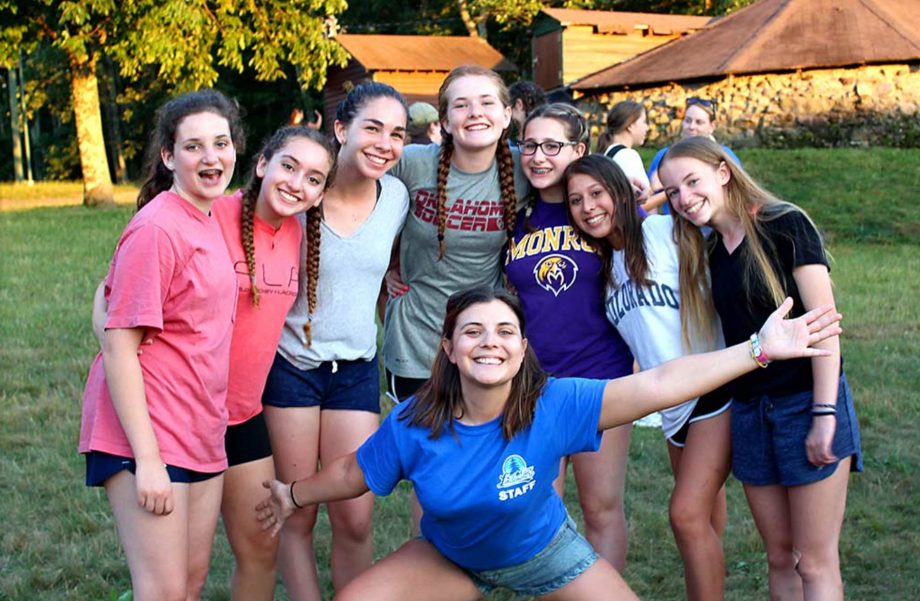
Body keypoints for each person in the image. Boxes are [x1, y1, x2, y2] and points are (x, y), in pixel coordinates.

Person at [257, 286, 842, 601]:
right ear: (450, 349)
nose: (490, 342)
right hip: (451, 557)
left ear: (521, 350)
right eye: (473, 332)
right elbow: (352, 474)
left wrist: (758, 350)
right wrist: (293, 494)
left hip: (546, 554)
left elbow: (660, 384)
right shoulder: (415, 421)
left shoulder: (554, 403)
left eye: (505, 331)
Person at [659, 136, 862, 601]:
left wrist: (824, 413)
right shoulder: (710, 251)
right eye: (672, 191)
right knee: (779, 558)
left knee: (814, 562)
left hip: (805, 404)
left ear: (723, 172)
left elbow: (825, 326)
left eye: (692, 181)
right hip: (750, 413)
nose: (684, 198)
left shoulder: (784, 224)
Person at [79, 89, 244, 601]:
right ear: (169, 157)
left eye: (220, 143)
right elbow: (119, 346)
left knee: (189, 585)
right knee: (163, 591)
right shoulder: (157, 227)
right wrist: (148, 460)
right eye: (194, 147)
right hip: (148, 433)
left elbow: (107, 294)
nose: (211, 157)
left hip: (200, 426)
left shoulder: (211, 216)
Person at [260, 81, 410, 601]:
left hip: (355, 370)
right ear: (341, 129)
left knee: (355, 517)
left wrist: (390, 278)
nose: (384, 144)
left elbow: (380, 263)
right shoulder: (300, 196)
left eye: (397, 134)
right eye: (373, 128)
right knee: (296, 512)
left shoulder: (396, 197)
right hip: (291, 368)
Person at [565, 154, 731, 601]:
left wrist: (657, 196)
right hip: (673, 406)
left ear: (620, 192)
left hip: (712, 387)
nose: (588, 207)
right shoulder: (605, 268)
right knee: (704, 523)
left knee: (686, 515)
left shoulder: (666, 232)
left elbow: (714, 209)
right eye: (576, 200)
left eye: (597, 193)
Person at [504, 103, 634, 571]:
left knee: (601, 508)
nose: (538, 156)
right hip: (534, 384)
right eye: (529, 145)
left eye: (552, 146)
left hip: (602, 379)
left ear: (578, 150)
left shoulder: (599, 210)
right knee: (540, 510)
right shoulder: (514, 215)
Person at [645, 97, 741, 213]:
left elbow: (737, 198)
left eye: (699, 122)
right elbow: (645, 206)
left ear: (712, 126)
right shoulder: (663, 156)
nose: (691, 126)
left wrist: (672, 187)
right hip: (673, 222)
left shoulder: (724, 155)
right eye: (688, 120)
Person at [598, 100, 651, 207]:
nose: (647, 128)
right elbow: (639, 205)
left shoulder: (607, 153)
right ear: (630, 125)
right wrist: (667, 193)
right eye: (644, 122)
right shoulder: (628, 156)